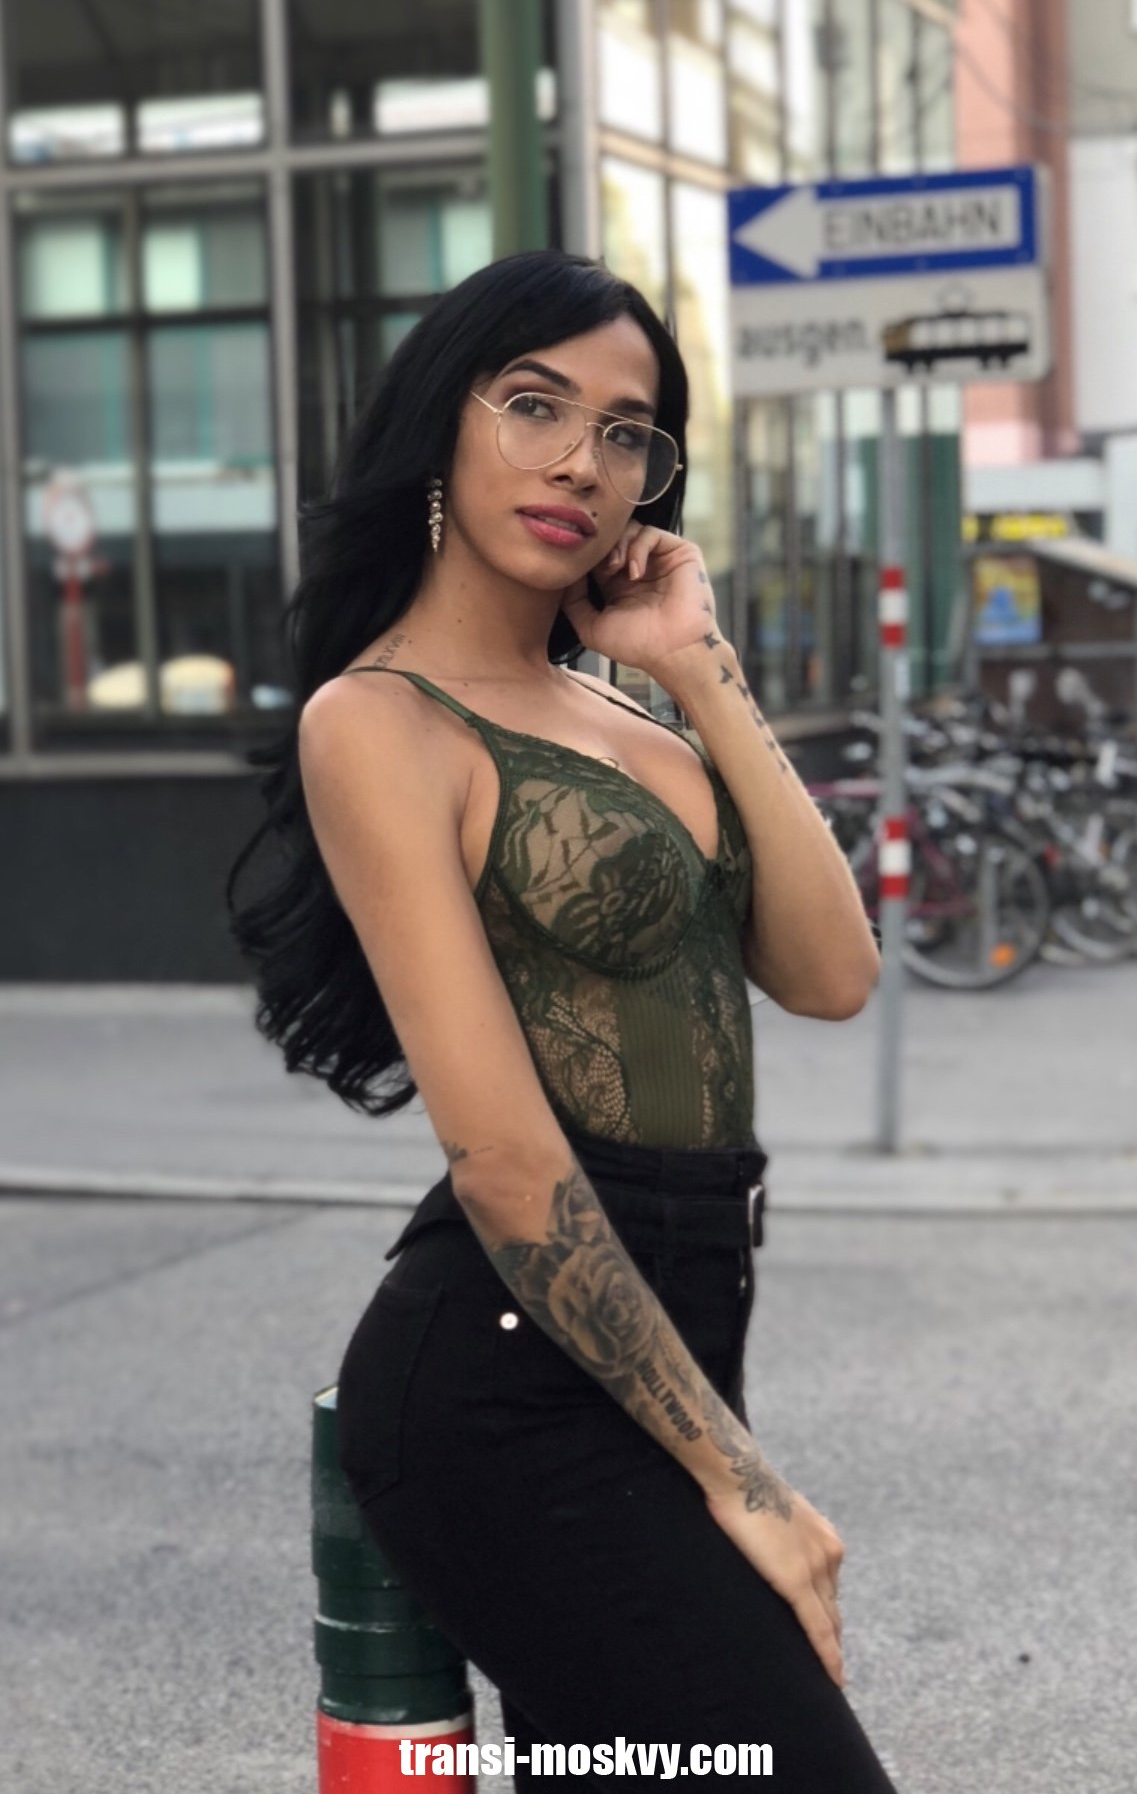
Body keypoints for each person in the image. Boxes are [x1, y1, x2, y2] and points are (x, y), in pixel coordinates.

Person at [227, 251, 893, 1792]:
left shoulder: (626, 711)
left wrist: (694, 668)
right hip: (505, 1376)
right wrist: (744, 1483)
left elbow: (830, 972)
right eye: (533, 406)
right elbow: (506, 1162)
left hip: (678, 1318)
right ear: (439, 423)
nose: (581, 464)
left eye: (625, 432)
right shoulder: (378, 721)